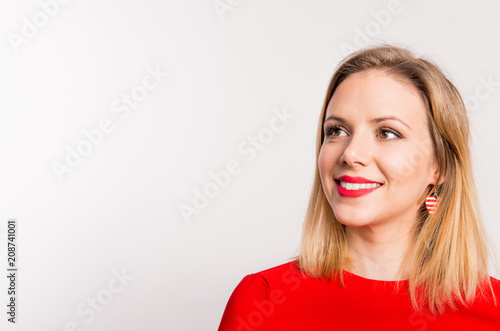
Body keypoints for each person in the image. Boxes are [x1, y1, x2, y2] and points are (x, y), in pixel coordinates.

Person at [217, 44, 500, 330]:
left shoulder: (493, 312)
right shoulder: (262, 300)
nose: (350, 154)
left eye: (387, 133)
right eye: (336, 131)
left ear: (440, 168)